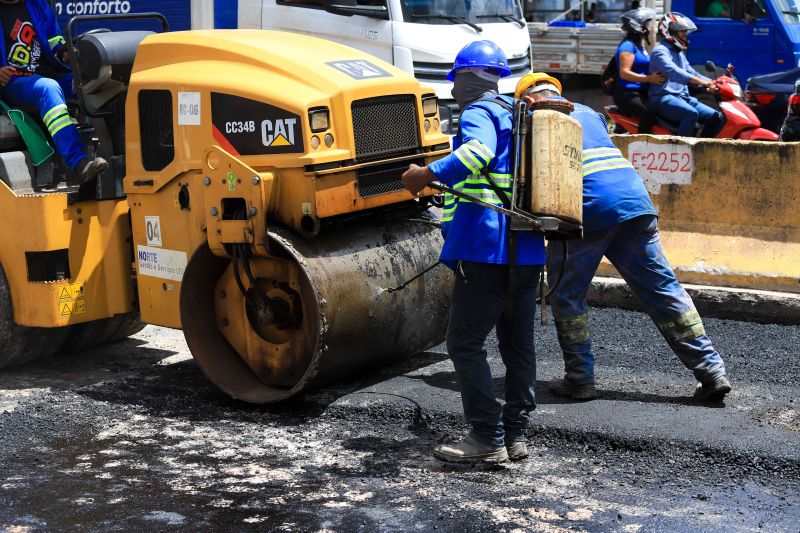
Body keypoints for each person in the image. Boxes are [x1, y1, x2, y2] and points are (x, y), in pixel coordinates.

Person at [515, 72, 733, 403]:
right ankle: (711, 370)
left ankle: (580, 378)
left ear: (527, 98)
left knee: (567, 295)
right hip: (635, 202)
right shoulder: (589, 113)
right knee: (663, 290)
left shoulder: (534, 118)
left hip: (585, 211)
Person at [401, 41, 545, 464]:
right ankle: (515, 436)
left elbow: (477, 153)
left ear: (466, 77)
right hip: (527, 248)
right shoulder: (517, 115)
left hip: (486, 248)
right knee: (518, 347)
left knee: (463, 343)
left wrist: (427, 173)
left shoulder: (479, 112)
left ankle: (486, 437)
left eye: (456, 80)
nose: (454, 89)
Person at [0, 0, 107, 183]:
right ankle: (79, 163)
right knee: (48, 89)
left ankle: (116, 154)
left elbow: (53, 40)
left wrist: (65, 51)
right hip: (14, 82)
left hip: (47, 74)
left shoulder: (36, 4)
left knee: (90, 82)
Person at [648, 12, 724, 138]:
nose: (685, 35)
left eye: (685, 32)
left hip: (684, 98)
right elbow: (674, 72)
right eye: (682, 32)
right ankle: (681, 150)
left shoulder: (679, 54)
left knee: (716, 117)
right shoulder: (660, 52)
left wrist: (714, 81)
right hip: (663, 98)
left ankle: (702, 149)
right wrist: (703, 82)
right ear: (669, 31)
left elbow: (691, 72)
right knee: (691, 114)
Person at [613, 7, 665, 134]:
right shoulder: (628, 46)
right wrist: (649, 78)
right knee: (648, 113)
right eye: (647, 24)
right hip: (627, 93)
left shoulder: (639, 46)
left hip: (641, 91)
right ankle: (642, 144)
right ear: (638, 27)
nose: (650, 27)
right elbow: (624, 73)